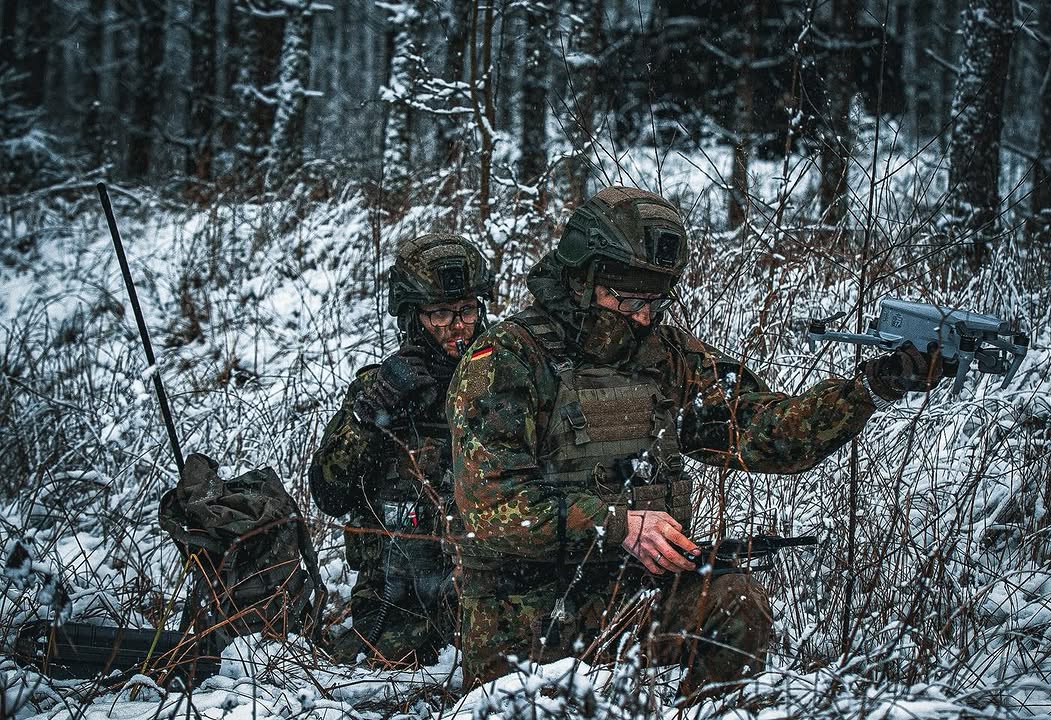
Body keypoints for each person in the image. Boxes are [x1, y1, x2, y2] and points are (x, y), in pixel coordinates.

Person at [447, 186, 940, 691]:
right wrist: (617, 525)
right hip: (524, 613)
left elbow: (760, 430)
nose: (644, 316)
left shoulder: (666, 355)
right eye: (628, 299)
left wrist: (870, 388)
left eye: (656, 300)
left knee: (737, 605)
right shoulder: (507, 361)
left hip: (629, 592)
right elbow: (492, 507)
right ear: (582, 281)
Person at [309, 232, 495, 665]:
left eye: (467, 310)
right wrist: (370, 414)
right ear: (414, 317)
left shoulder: (507, 381)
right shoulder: (381, 388)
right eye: (441, 313)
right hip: (398, 594)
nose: (458, 326)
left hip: (488, 583)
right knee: (385, 672)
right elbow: (329, 495)